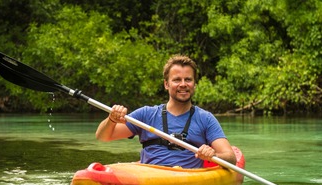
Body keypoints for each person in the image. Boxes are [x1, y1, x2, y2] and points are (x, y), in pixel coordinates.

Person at [95, 54, 236, 168]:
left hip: (187, 179)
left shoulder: (206, 119)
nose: (183, 84)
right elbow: (103, 136)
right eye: (177, 80)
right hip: (149, 177)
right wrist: (111, 119)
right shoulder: (146, 114)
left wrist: (213, 155)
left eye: (188, 79)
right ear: (166, 84)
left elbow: (230, 158)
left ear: (194, 84)